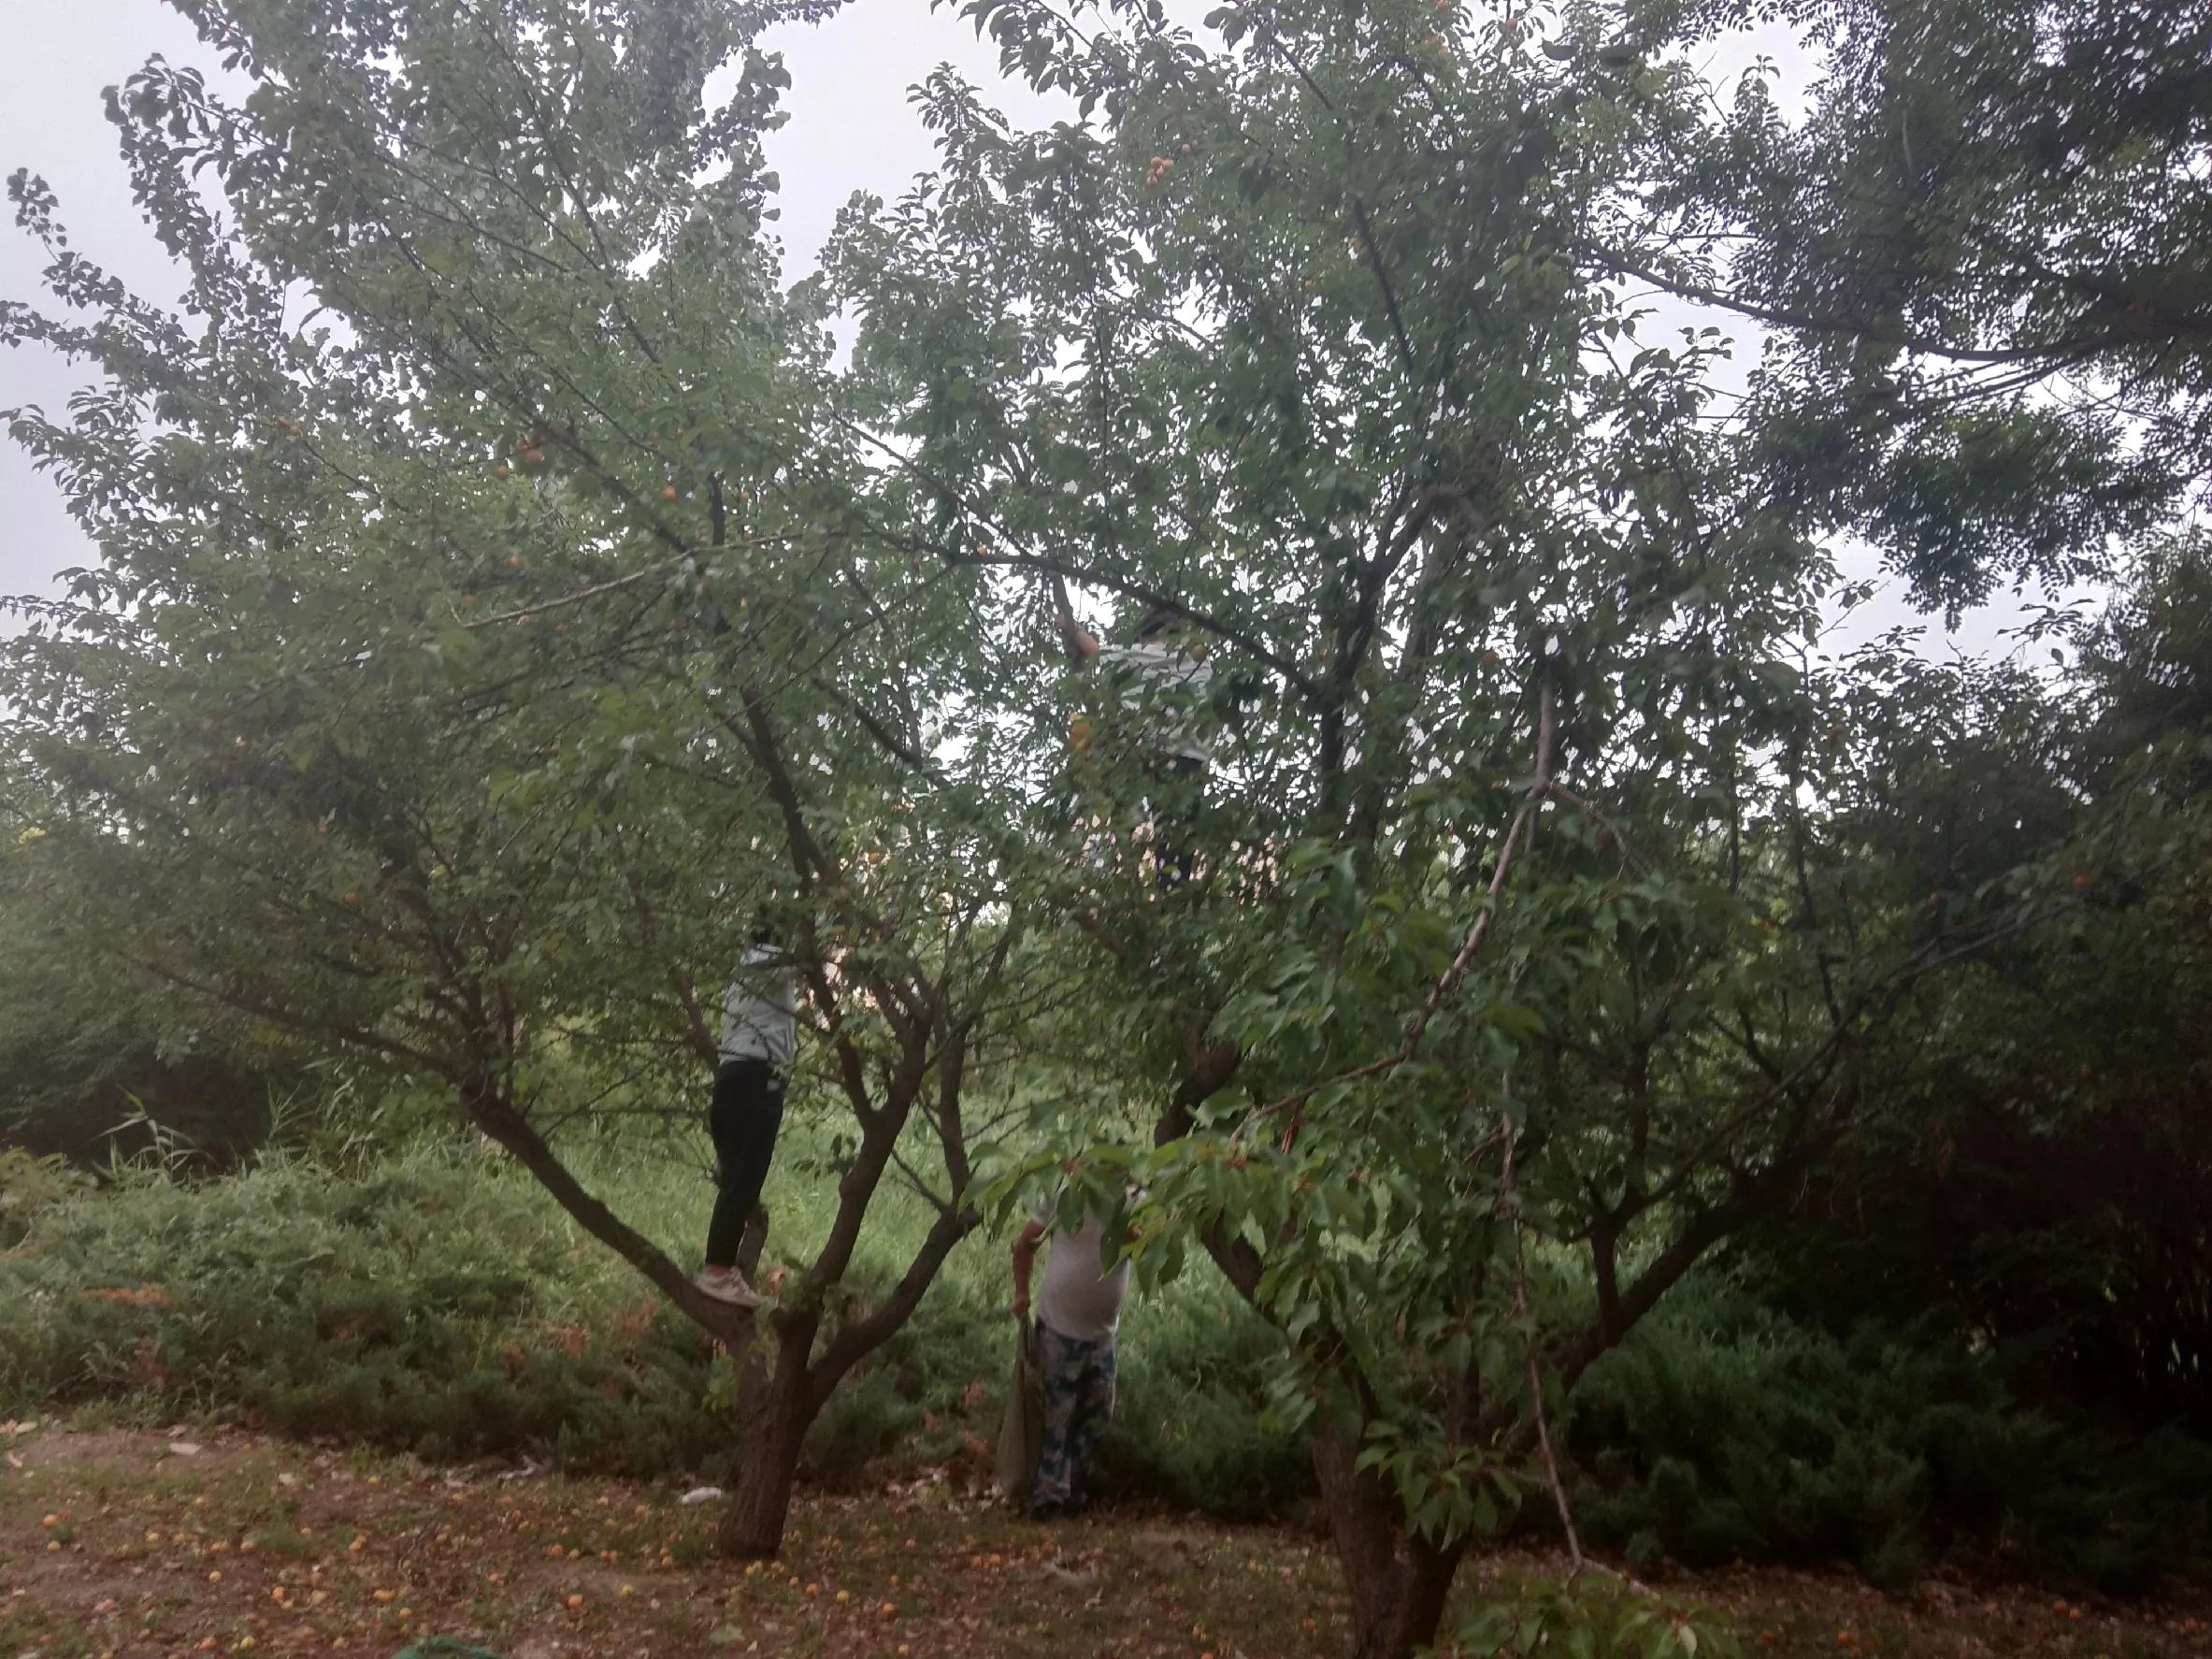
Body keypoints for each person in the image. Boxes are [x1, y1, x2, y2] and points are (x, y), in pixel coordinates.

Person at [1056, 596, 1214, 887]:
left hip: (1152, 758)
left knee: (1149, 822)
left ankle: (1129, 877)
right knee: (1181, 838)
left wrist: (1070, 626)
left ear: (1145, 635)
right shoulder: (1199, 663)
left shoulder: (1136, 657)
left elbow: (1095, 652)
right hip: (1193, 760)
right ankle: (1174, 896)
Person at [1011, 1189, 1136, 1518]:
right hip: (1058, 1329)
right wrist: (1021, 1293)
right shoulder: (1065, 1194)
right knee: (1056, 1415)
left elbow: (1147, 1248)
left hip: (1102, 1336)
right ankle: (1048, 1499)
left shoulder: (1136, 1200)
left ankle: (1070, 1486)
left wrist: (1133, 1226)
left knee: (1097, 1415)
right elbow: (1025, 1243)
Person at [695, 928, 797, 1308]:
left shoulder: (742, 969)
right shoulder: (773, 963)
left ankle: (722, 1270)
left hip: (732, 1078)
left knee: (737, 1179)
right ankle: (718, 1272)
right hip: (757, 1079)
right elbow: (809, 954)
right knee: (743, 1179)